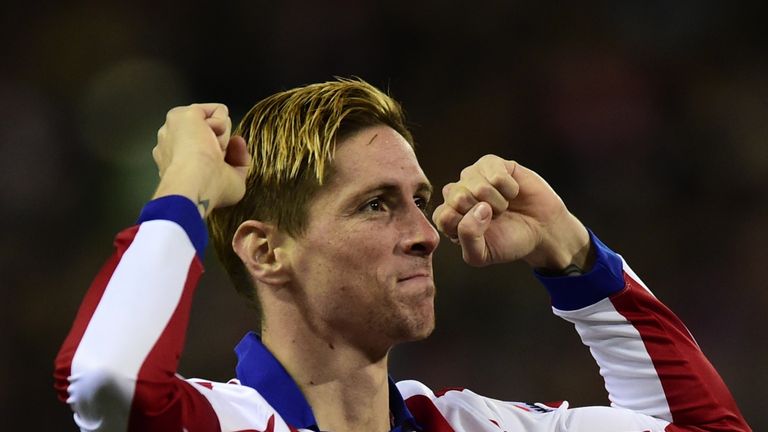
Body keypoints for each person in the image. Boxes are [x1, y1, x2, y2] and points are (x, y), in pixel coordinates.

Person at [54, 78, 750, 431]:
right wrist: (183, 193)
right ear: (267, 250)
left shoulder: (469, 423)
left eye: (419, 198)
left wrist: (575, 260)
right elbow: (107, 380)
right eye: (376, 204)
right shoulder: (219, 422)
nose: (425, 232)